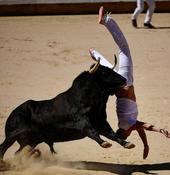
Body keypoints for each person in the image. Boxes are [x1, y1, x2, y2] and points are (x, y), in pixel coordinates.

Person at [89, 6, 170, 159]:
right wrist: (146, 145)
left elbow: (146, 126)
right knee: (110, 68)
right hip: (119, 86)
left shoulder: (129, 125)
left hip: (125, 83)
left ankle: (106, 20)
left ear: (125, 133)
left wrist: (160, 130)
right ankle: (94, 54)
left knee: (124, 48)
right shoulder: (126, 124)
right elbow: (140, 129)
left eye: (128, 134)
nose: (131, 132)